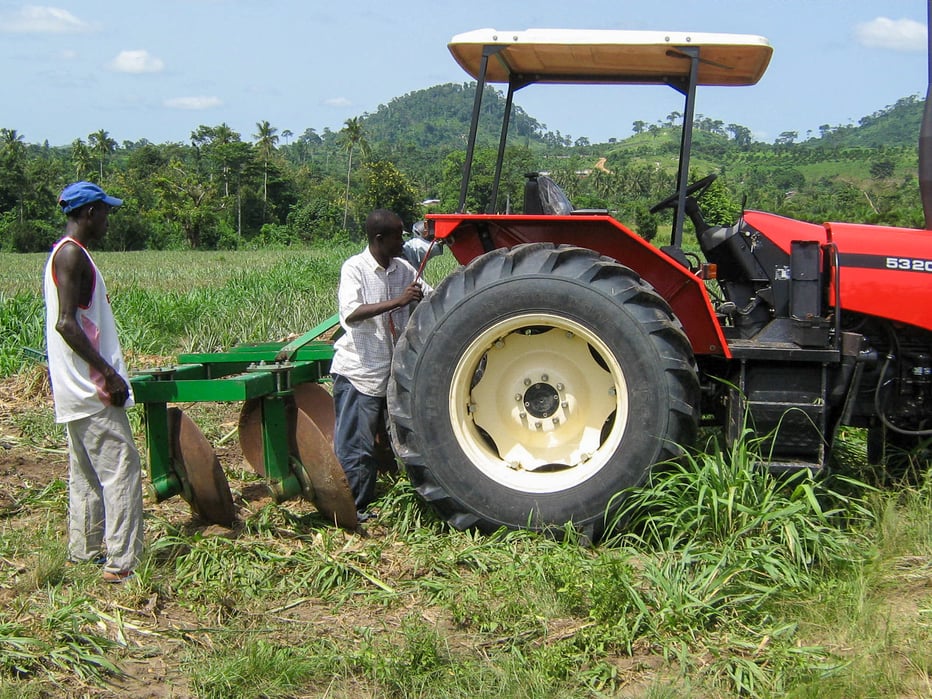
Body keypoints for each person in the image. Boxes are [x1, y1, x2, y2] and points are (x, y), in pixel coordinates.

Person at [43, 181, 144, 583]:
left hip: (73, 389)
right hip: (92, 388)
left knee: (85, 474)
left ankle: (82, 552)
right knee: (122, 469)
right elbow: (67, 323)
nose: (107, 219)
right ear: (89, 213)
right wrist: (109, 373)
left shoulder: (63, 252)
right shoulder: (72, 255)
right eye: (104, 212)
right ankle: (122, 564)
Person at [330, 209, 432, 520]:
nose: (403, 241)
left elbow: (432, 296)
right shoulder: (355, 268)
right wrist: (399, 302)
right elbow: (351, 313)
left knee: (396, 440)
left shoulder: (403, 268)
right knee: (357, 446)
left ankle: (382, 496)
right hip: (360, 373)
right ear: (379, 239)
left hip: (391, 374)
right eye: (397, 236)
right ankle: (352, 509)